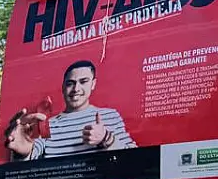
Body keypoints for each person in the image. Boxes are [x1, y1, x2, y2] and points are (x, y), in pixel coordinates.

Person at [7, 60, 136, 160]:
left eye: (83, 81)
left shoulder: (110, 115)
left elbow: (135, 159)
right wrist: (20, 153)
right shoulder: (48, 124)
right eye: (70, 83)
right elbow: (28, 163)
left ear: (93, 84)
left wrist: (106, 138)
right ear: (63, 87)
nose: (76, 89)